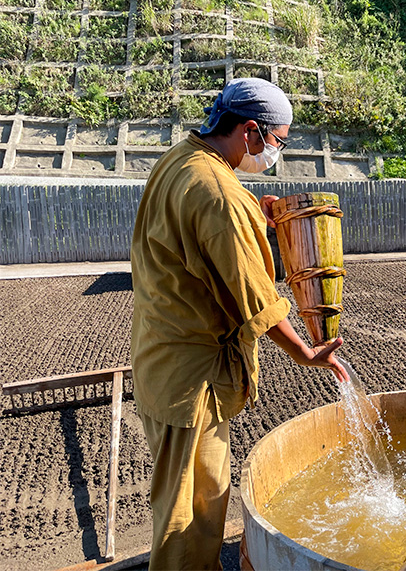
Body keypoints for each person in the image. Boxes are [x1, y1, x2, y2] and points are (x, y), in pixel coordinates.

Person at [130, 77, 348, 570]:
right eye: (277, 142)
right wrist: (306, 352)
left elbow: (211, 214)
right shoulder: (219, 195)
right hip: (191, 381)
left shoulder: (182, 159)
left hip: (162, 359)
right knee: (188, 518)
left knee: (199, 497)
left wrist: (258, 211)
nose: (275, 153)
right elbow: (258, 301)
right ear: (250, 131)